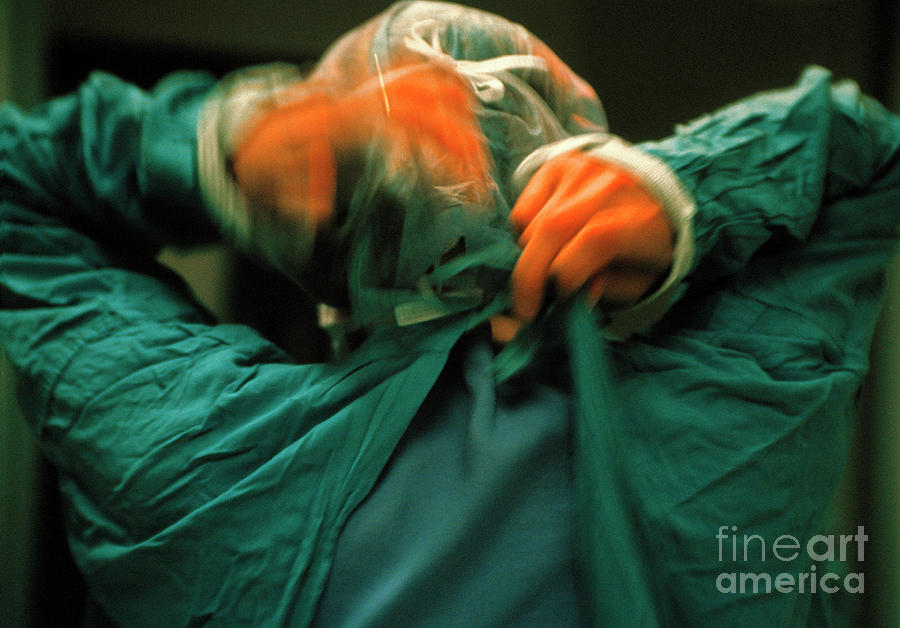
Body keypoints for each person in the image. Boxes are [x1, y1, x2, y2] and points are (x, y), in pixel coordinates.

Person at [1, 2, 897, 626]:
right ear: (571, 145)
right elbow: (868, 152)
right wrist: (686, 197)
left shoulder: (202, 467)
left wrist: (224, 149)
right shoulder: (737, 407)